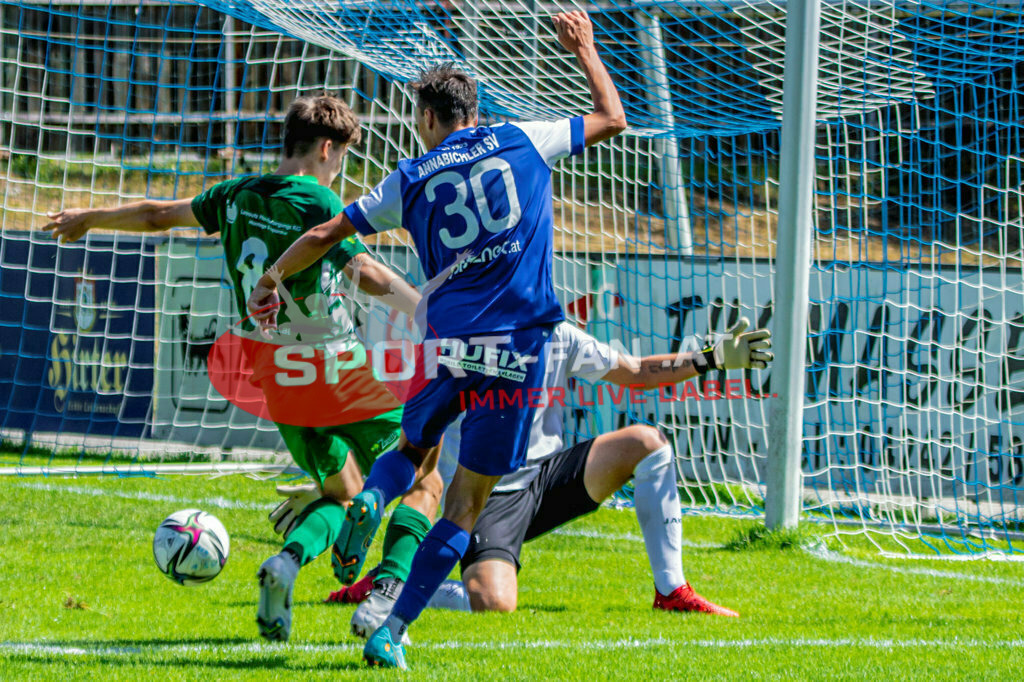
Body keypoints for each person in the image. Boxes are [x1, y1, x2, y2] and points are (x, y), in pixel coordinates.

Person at [248, 11, 626, 668]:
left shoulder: (410, 176)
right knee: (464, 503)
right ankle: (390, 632)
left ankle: (369, 497)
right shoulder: (525, 139)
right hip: (517, 354)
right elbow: (611, 117)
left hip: (448, 345)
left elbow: (325, 235)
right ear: (472, 112)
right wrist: (585, 50)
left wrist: (272, 278)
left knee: (411, 448)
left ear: (427, 118)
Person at [44, 93, 444, 643]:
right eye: (343, 158)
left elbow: (160, 216)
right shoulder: (316, 199)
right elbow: (365, 272)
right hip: (334, 362)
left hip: (276, 374)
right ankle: (387, 593)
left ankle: (286, 563)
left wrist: (90, 218)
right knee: (425, 474)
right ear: (327, 149)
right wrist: (427, 309)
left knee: (341, 494)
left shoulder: (234, 195)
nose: (341, 170)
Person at [277, 318, 771, 628]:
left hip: (544, 478)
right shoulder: (464, 336)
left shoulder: (556, 331)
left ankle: (672, 592)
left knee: (647, 443)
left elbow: (637, 372)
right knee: (494, 604)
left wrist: (712, 357)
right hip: (483, 495)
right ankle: (396, 584)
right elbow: (423, 441)